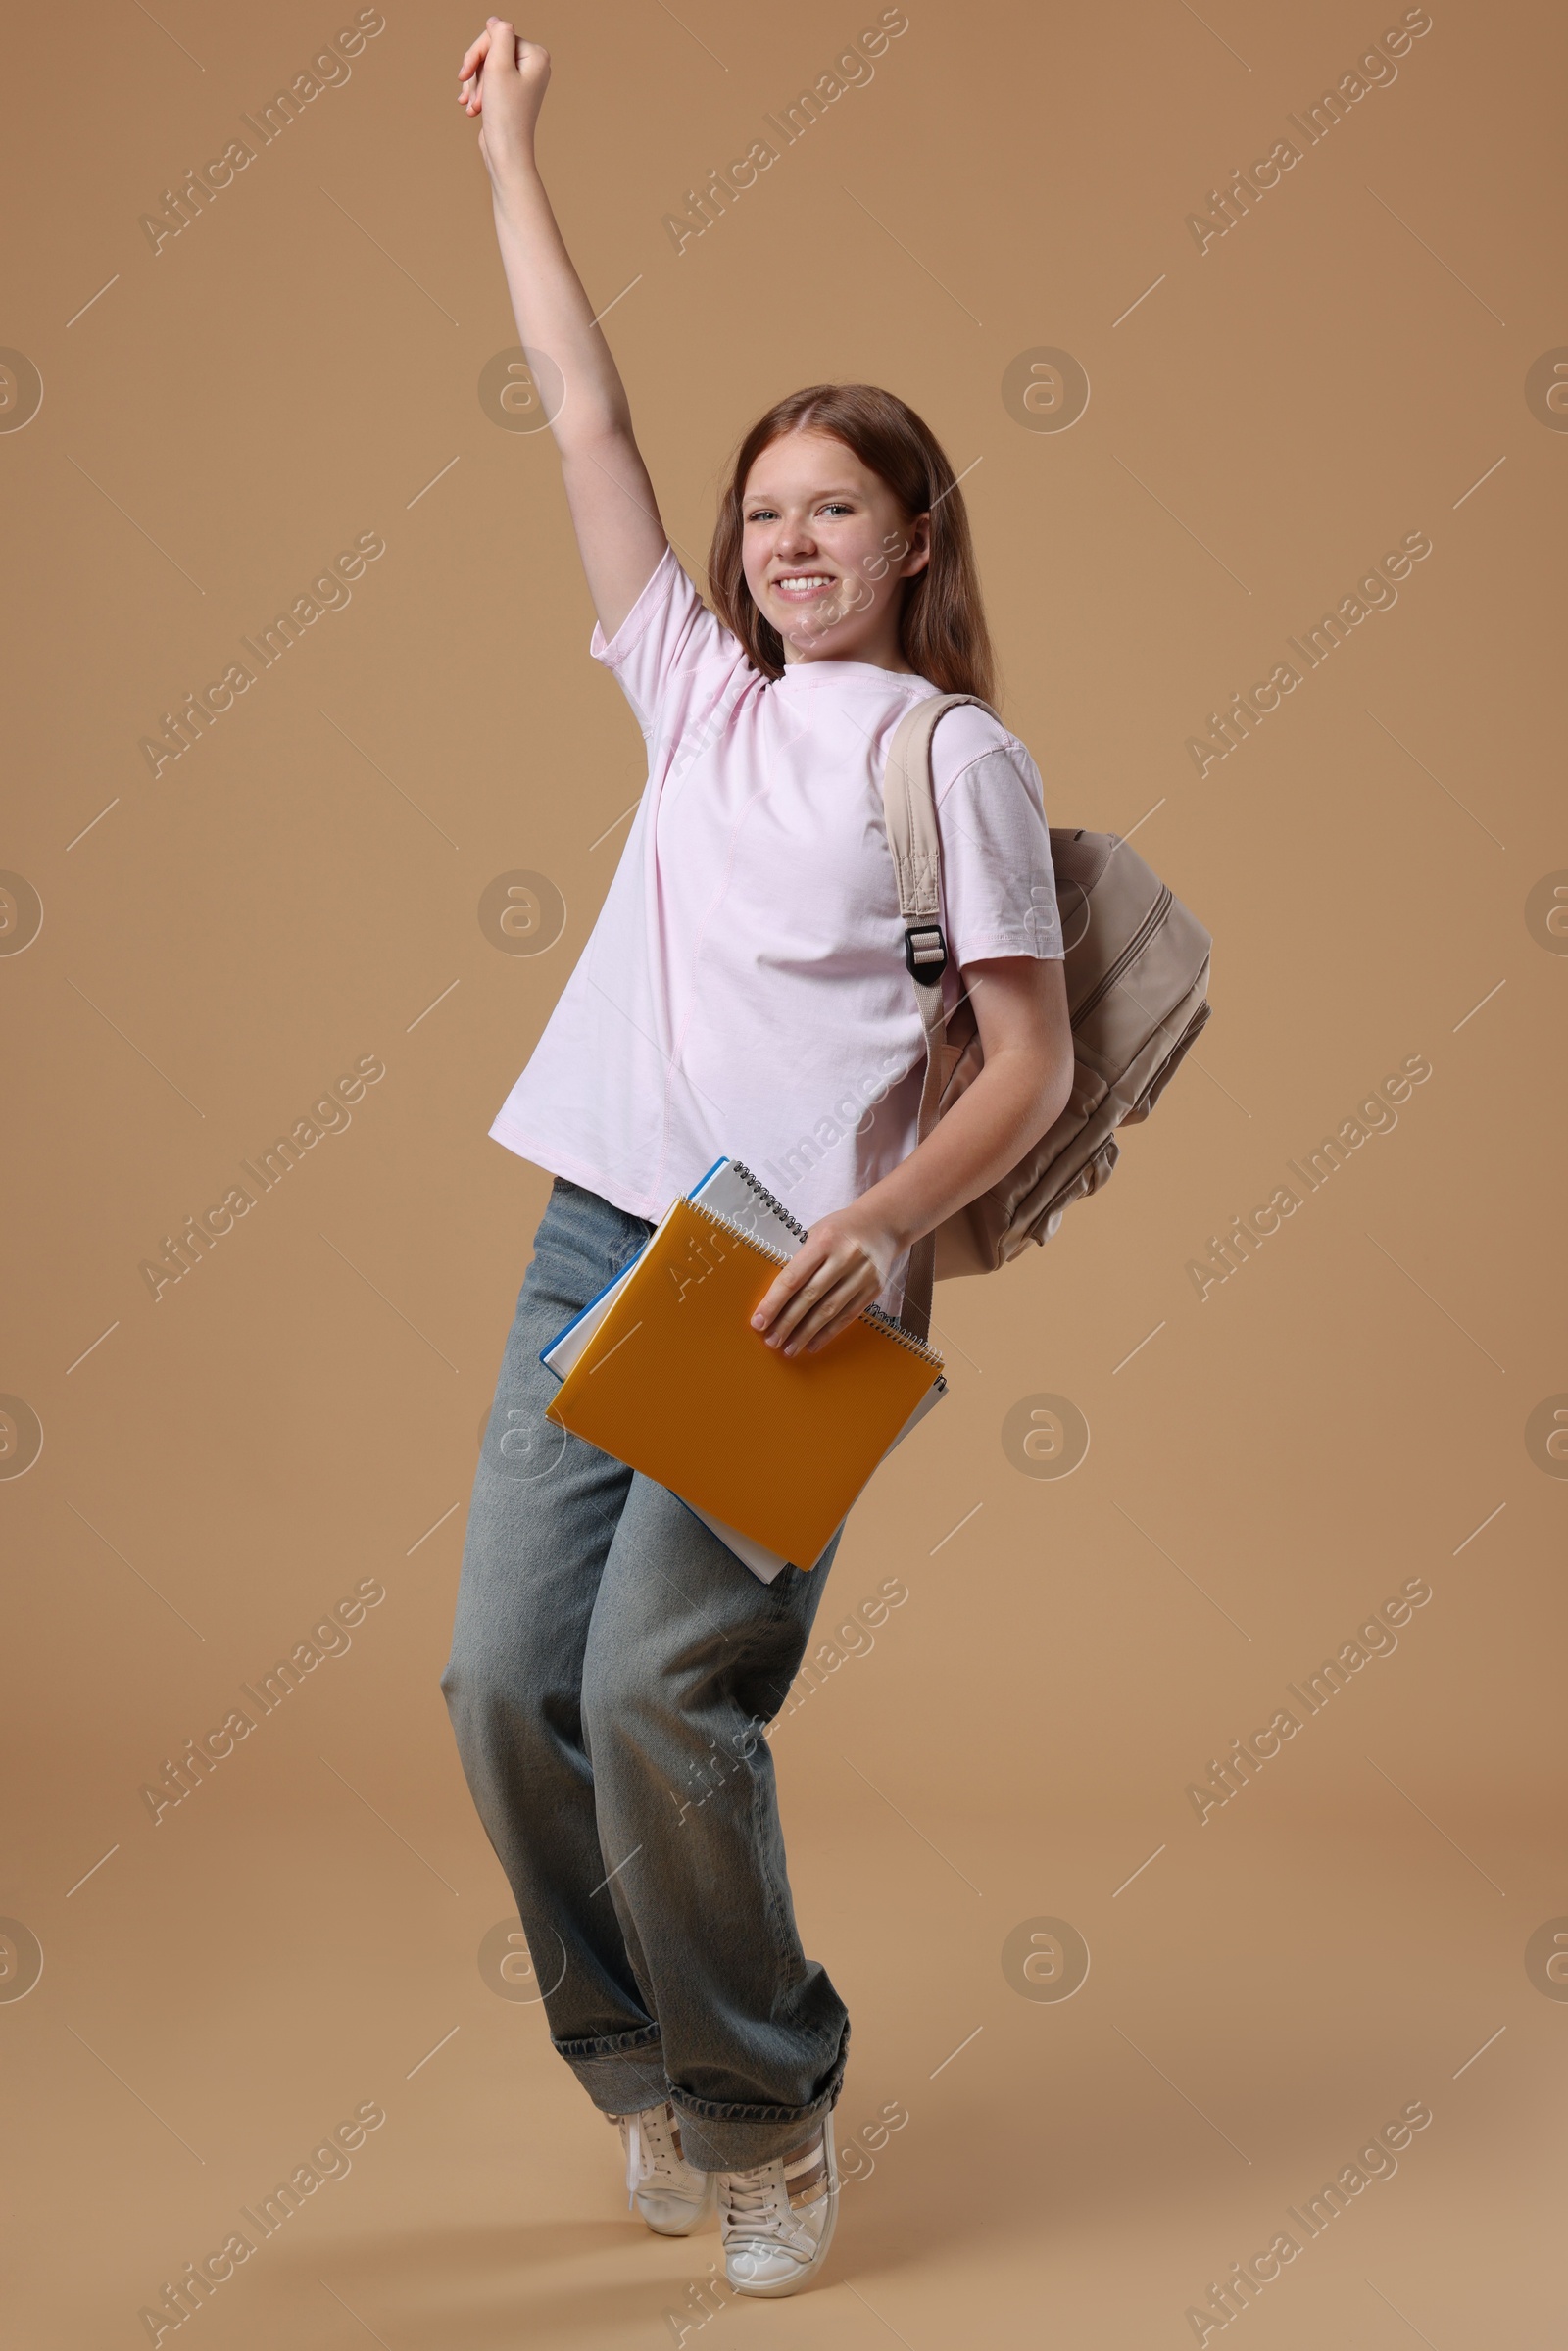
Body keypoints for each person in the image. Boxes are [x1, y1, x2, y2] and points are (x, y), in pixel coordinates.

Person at [440, 21, 1074, 2299]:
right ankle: (648, 2072)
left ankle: (768, 2104)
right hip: (596, 1235)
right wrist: (516, 153)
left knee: (650, 1697)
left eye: (837, 507)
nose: (791, 537)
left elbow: (1024, 1062)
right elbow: (584, 411)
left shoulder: (946, 757)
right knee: (499, 1688)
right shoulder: (694, 694)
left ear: (911, 541)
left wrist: (872, 1227)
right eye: (767, 507)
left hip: (785, 1284)